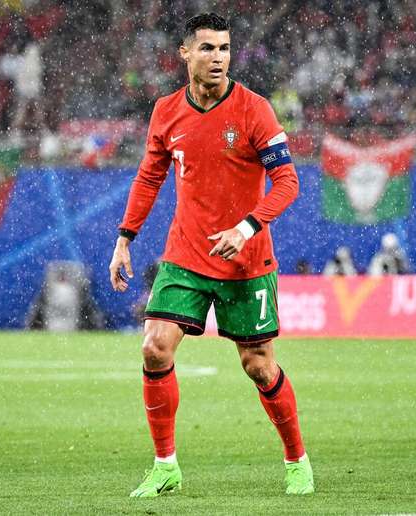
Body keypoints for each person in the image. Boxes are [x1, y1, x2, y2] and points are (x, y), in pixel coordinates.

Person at [108, 13, 312, 497]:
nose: (218, 57)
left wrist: (246, 228)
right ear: (185, 54)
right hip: (186, 254)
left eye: (224, 48)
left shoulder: (255, 109)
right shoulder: (166, 112)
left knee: (258, 365)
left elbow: (288, 182)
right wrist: (125, 237)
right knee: (154, 347)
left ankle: (296, 459)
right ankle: (165, 467)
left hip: (247, 258)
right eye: (207, 49)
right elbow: (149, 177)